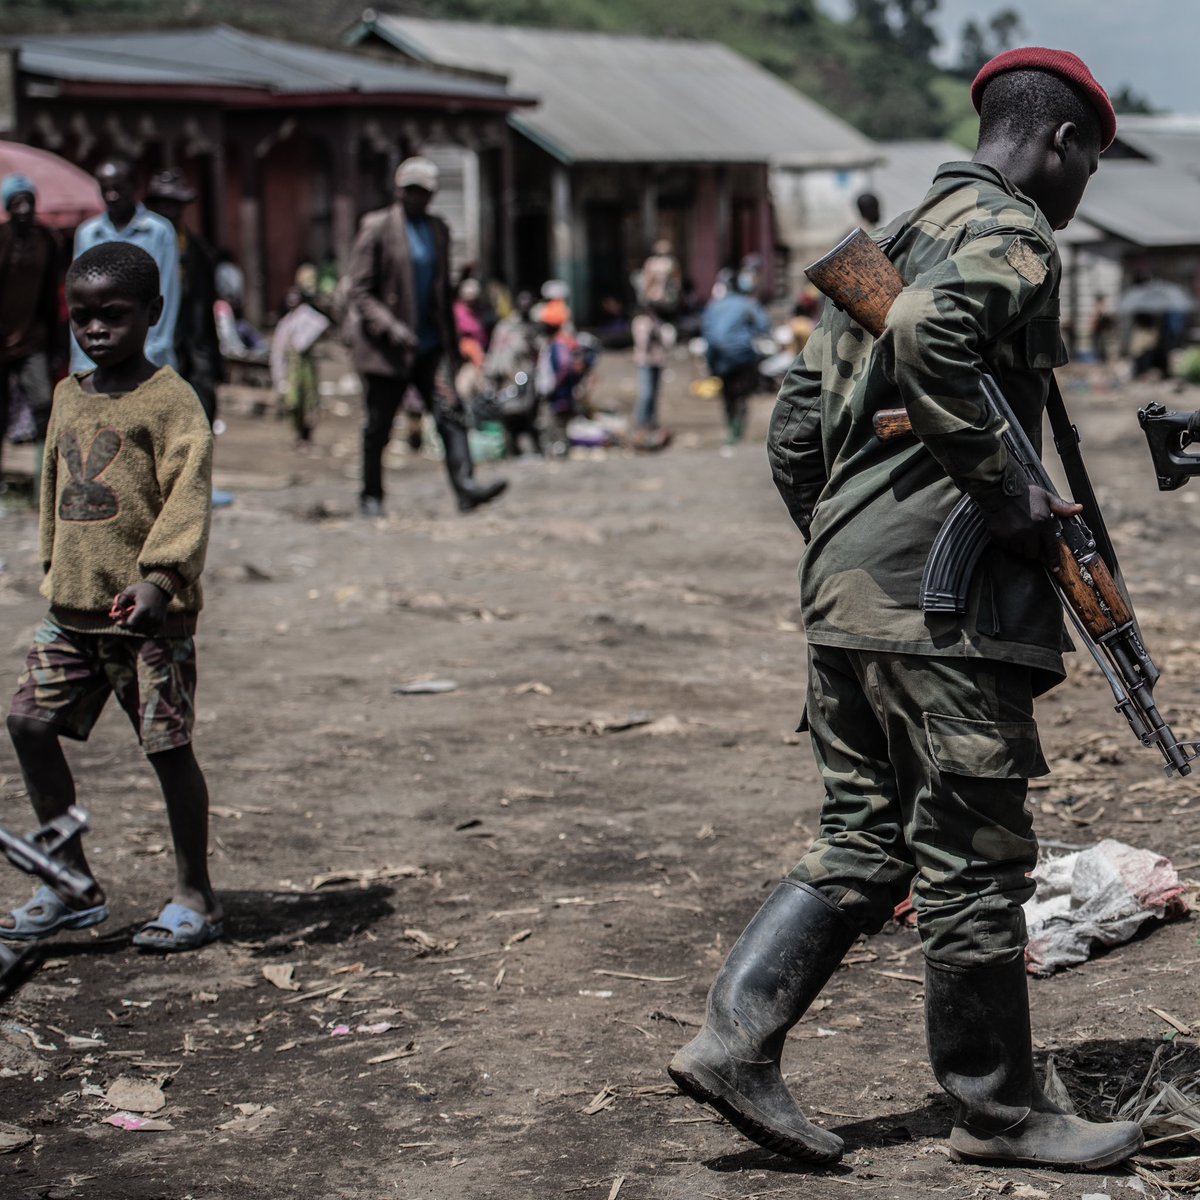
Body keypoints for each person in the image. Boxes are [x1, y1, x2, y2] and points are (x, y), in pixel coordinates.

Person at [669, 48, 1145, 1172]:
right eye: (1092, 166)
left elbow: (796, 428)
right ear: (1064, 144)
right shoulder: (1012, 235)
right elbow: (932, 333)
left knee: (865, 838)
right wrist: (1008, 490)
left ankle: (734, 1041)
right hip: (944, 609)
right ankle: (1000, 1112)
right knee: (974, 855)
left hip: (852, 597)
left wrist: (851, 550)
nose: (1083, 195)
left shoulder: (893, 241)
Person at [2, 241, 222, 953]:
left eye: (114, 315)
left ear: (153, 313)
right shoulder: (68, 394)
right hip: (70, 614)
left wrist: (161, 579)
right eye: (82, 316)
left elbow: (187, 499)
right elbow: (52, 496)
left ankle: (196, 894)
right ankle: (69, 884)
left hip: (147, 621)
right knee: (28, 724)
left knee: (167, 749)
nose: (95, 329)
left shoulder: (170, 402)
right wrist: (54, 572)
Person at [346, 156, 506, 516]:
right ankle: (371, 496)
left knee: (450, 413)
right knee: (379, 425)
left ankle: (465, 486)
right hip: (388, 349)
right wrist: (391, 326)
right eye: (411, 191)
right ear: (399, 191)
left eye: (424, 193)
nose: (418, 199)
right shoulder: (377, 227)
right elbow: (359, 290)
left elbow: (437, 291)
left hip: (431, 344)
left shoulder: (437, 230)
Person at [71, 157, 180, 376]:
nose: (111, 195)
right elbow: (79, 299)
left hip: (148, 357)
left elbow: (167, 292)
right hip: (98, 357)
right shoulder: (88, 234)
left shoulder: (158, 231)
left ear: (134, 186)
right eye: (105, 189)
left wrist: (153, 351)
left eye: (118, 188)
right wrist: (82, 361)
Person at [145, 168, 222, 425]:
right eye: (164, 204)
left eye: (175, 205)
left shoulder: (198, 251)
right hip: (155, 343)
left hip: (193, 342)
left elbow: (206, 309)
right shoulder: (140, 251)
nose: (170, 211)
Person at [0, 174, 60, 489]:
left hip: (32, 339)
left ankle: (43, 481)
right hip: (2, 339)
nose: (24, 209)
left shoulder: (45, 242)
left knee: (42, 403)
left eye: (29, 202)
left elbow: (51, 295)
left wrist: (55, 340)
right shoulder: (2, 238)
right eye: (17, 203)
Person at [701, 271, 769, 448]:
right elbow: (763, 325)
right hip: (743, 356)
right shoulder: (747, 304)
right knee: (742, 395)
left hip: (721, 358)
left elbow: (708, 335)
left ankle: (731, 431)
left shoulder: (713, 306)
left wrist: (710, 363)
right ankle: (738, 431)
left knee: (728, 395)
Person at [630, 304, 676, 436]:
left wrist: (659, 329)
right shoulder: (640, 322)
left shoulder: (660, 324)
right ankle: (640, 423)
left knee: (655, 394)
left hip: (658, 361)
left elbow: (667, 342)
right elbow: (642, 342)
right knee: (646, 393)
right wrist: (651, 328)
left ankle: (652, 421)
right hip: (645, 362)